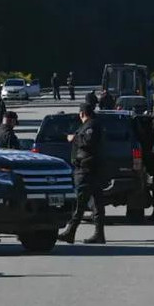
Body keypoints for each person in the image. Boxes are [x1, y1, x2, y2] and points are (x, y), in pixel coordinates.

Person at [57, 104, 106, 244]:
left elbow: (88, 141)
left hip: (87, 169)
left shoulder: (92, 125)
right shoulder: (89, 125)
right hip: (89, 168)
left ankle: (70, 231)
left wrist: (74, 138)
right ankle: (99, 234)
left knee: (80, 202)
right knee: (96, 203)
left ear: (83, 113)